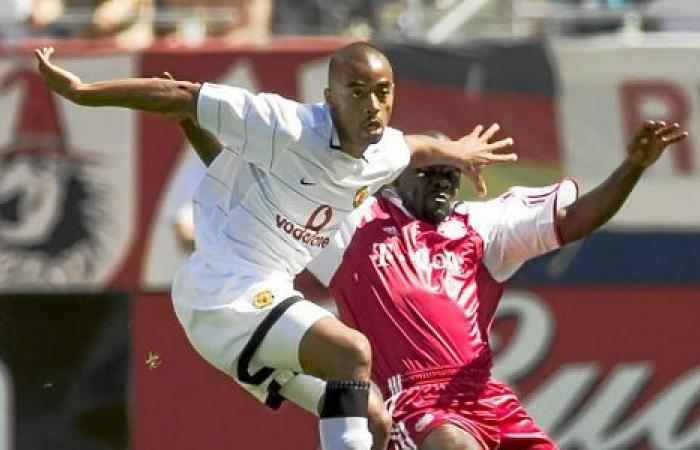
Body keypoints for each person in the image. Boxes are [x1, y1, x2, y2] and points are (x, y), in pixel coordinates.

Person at [34, 42, 517, 450]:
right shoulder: (285, 124)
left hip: (253, 306)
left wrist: (461, 151)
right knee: (351, 351)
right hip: (225, 291)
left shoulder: (386, 150)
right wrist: (81, 92)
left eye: (382, 93)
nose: (372, 105)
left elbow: (417, 148)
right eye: (357, 92)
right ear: (330, 98)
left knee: (375, 420)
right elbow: (180, 94)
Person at [296, 122, 687, 449]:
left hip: (483, 395)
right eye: (429, 171)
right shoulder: (355, 224)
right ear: (395, 176)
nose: (442, 183)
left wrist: (634, 166)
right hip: (414, 403)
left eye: (451, 173)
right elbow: (301, 174)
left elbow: (575, 219)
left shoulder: (481, 226)